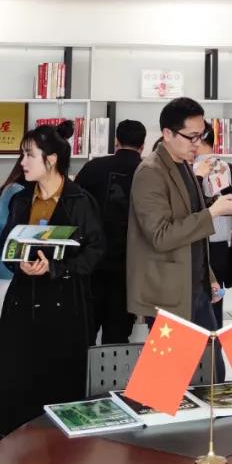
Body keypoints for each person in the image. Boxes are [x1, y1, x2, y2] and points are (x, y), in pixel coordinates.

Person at [0, 121, 104, 440]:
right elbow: (6, 244)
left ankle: (58, 450)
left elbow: (96, 251)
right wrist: (19, 263)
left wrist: (55, 268)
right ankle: (18, 446)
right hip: (23, 303)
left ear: (51, 159)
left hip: (66, 307)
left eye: (29, 155)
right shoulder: (20, 199)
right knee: (16, 379)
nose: (23, 162)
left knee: (60, 384)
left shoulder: (80, 201)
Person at [127, 98, 232, 382]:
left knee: (212, 371)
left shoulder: (184, 165)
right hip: (169, 292)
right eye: (191, 136)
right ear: (167, 134)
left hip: (197, 286)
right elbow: (160, 236)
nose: (198, 143)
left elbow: (191, 230)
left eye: (201, 135)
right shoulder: (150, 172)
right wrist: (212, 213)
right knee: (171, 381)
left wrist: (209, 276)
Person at [73, 119, 145, 344]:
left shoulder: (93, 167)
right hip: (129, 267)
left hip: (91, 263)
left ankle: (82, 369)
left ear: (116, 141)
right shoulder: (148, 171)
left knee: (85, 331)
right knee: (118, 335)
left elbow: (73, 207)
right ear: (143, 145)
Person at [193, 125, 232, 329]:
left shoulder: (189, 170)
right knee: (215, 309)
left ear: (197, 139)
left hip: (194, 245)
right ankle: (213, 347)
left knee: (191, 310)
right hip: (221, 248)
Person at [0, 160, 26, 331]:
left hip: (5, 267)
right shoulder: (17, 190)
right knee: (5, 318)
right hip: (8, 268)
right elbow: (4, 228)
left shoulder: (12, 188)